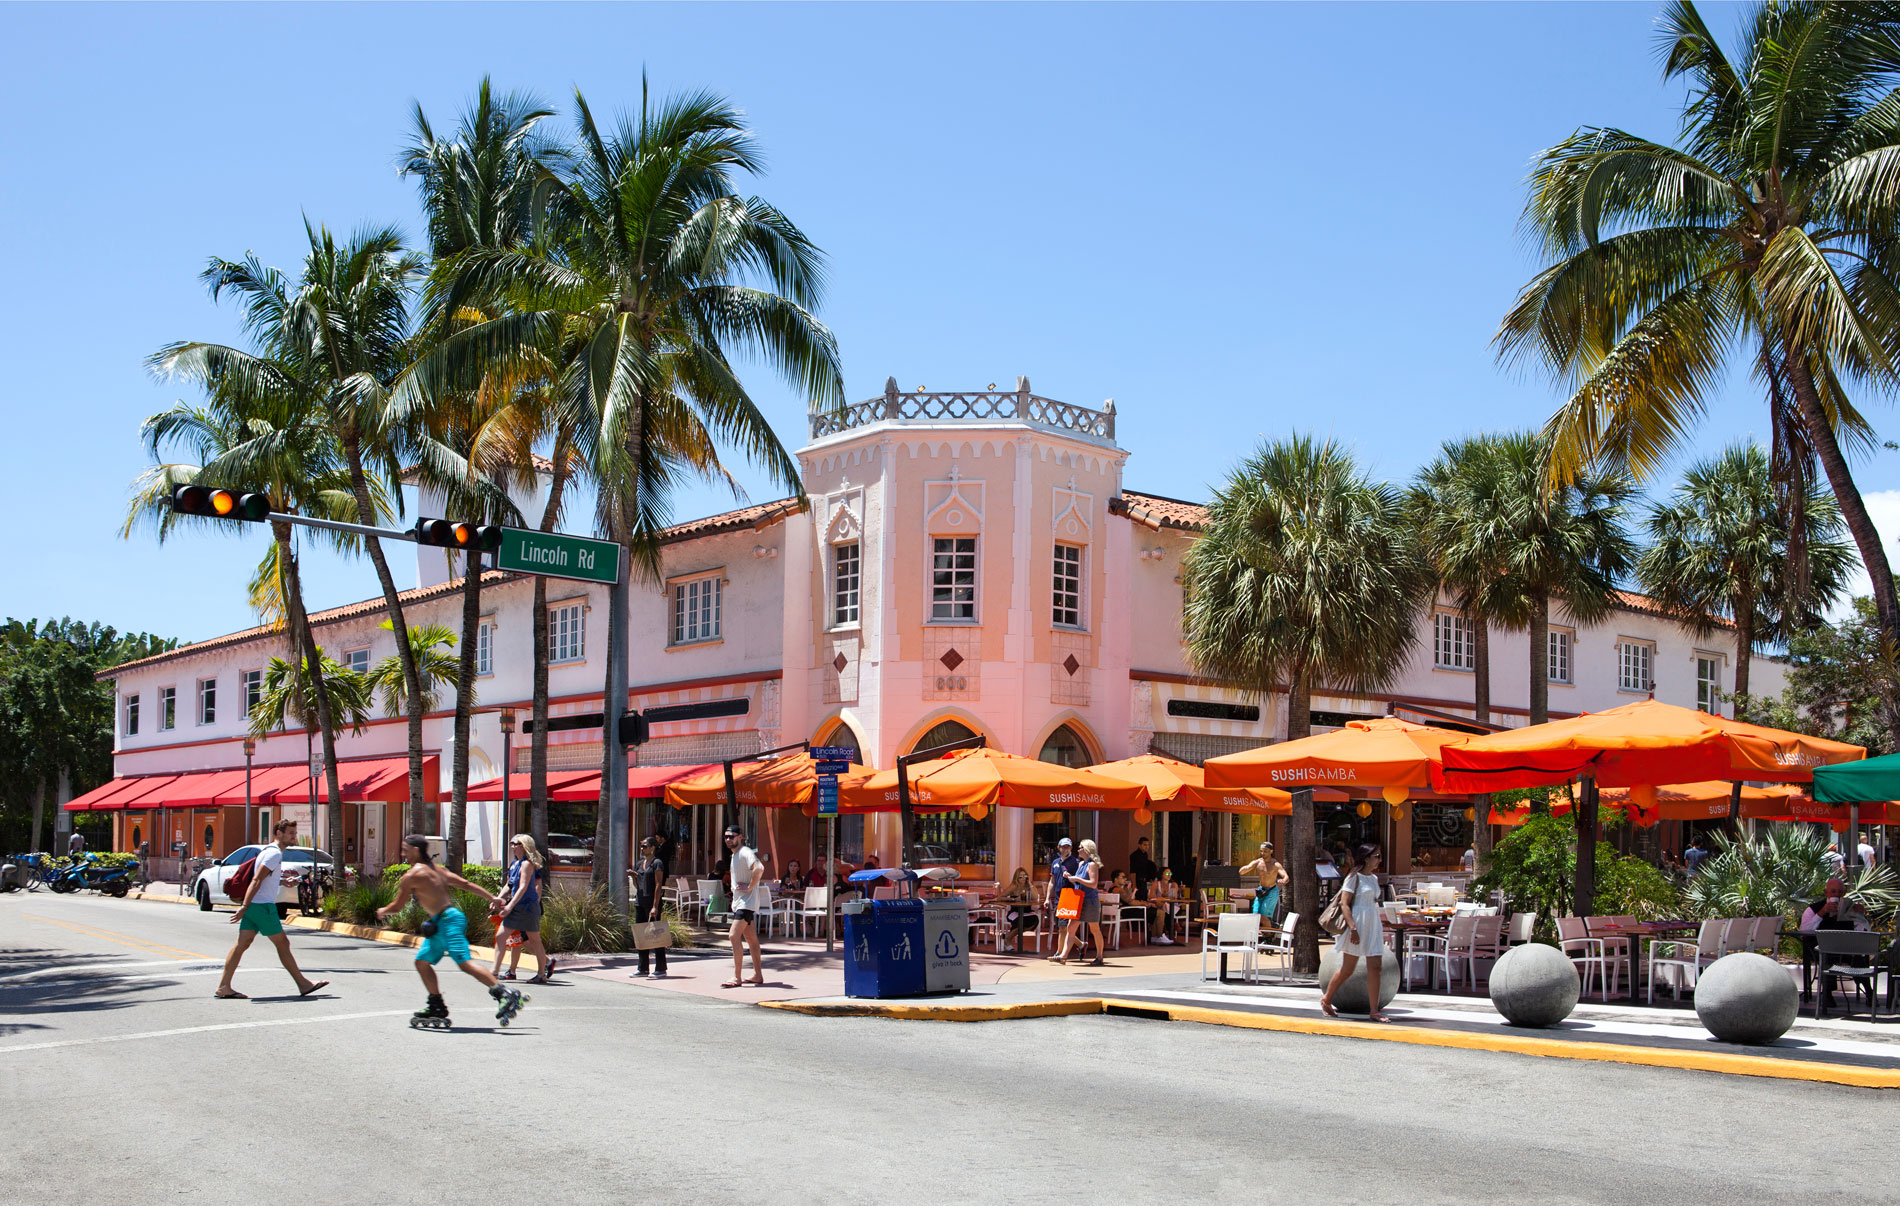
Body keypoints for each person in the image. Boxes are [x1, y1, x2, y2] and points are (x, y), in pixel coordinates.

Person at [379, 835, 523, 1028]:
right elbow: (466, 885)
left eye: (405, 849)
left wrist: (382, 911)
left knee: (464, 963)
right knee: (422, 962)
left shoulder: (411, 876)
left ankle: (503, 992)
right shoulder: (438, 870)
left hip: (448, 921)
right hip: (441, 921)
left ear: (416, 850)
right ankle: (436, 1004)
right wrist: (493, 898)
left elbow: (397, 906)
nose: (402, 853)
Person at [213, 817, 329, 1001]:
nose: (294, 837)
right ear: (279, 833)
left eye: (294, 833)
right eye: (290, 833)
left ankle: (223, 986)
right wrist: (243, 906)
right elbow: (256, 879)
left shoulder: (269, 852)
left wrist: (282, 881)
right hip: (262, 906)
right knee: (283, 943)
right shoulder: (274, 853)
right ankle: (303, 984)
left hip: (255, 906)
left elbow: (265, 878)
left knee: (241, 945)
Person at [1320, 843, 1390, 1023]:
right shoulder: (1353, 877)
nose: (1379, 860)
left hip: (1372, 923)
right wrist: (1352, 928)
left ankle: (1374, 1011)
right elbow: (1344, 903)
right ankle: (1327, 999)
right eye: (1377, 856)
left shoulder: (1373, 878)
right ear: (1366, 858)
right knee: (1347, 969)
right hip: (1357, 923)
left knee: (1376, 967)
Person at [491, 835, 553, 985]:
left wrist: (509, 906)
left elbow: (523, 887)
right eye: (511, 843)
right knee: (500, 937)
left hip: (527, 907)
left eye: (516, 844)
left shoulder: (527, 864)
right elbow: (509, 885)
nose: (512, 846)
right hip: (516, 907)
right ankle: (494, 972)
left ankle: (541, 974)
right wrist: (498, 899)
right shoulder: (515, 864)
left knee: (534, 940)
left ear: (524, 846)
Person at [722, 826, 769, 989]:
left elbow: (760, 868)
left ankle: (737, 977)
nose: (728, 839)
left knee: (733, 936)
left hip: (746, 904)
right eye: (726, 836)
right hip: (740, 903)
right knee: (751, 939)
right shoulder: (735, 855)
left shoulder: (745, 852)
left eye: (732, 836)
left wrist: (750, 886)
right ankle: (757, 975)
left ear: (740, 837)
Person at [1053, 839, 1107, 966]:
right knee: (1070, 927)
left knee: (1094, 929)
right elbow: (1079, 882)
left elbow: (1093, 884)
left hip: (1089, 900)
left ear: (1087, 850)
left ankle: (1099, 956)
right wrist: (1070, 877)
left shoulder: (1092, 865)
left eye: (1081, 847)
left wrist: (1076, 878)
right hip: (1079, 899)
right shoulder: (1081, 864)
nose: (1078, 850)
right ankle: (1063, 956)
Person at [633, 835, 669, 979]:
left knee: (656, 935)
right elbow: (637, 885)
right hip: (640, 901)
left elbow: (658, 884)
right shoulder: (639, 863)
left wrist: (655, 906)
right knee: (641, 934)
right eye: (641, 846)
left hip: (652, 902)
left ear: (652, 848)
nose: (642, 849)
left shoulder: (657, 863)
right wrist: (633, 877)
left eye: (645, 846)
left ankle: (660, 968)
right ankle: (642, 968)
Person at [1237, 841, 1288, 924]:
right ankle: (1258, 935)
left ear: (1271, 851)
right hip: (1261, 890)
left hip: (1271, 891)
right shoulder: (1258, 862)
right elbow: (1246, 868)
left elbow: (1286, 877)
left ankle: (1269, 936)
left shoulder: (1275, 864)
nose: (1262, 853)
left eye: (1265, 851)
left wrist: (1283, 880)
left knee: (1263, 917)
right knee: (1255, 915)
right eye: (1261, 851)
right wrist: (1243, 870)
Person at [1045, 837, 1079, 956]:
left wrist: (1070, 877)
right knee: (1062, 926)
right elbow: (1052, 881)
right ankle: (1080, 945)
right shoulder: (1055, 862)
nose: (1065, 849)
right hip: (1059, 897)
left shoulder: (1075, 862)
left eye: (1068, 847)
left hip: (1070, 895)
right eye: (1063, 847)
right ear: (1058, 847)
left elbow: (1079, 881)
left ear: (1071, 848)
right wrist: (1047, 898)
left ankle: (1059, 953)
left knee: (1063, 927)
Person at [997, 867, 1037, 953]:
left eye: (1025, 876)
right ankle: (1008, 941)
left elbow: (1036, 898)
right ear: (1016, 878)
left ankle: (1008, 937)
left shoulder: (1029, 886)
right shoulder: (1014, 886)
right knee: (1020, 922)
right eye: (1020, 876)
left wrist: (1030, 883)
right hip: (1014, 911)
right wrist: (1013, 899)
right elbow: (1000, 897)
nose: (1023, 878)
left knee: (1034, 920)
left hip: (1027, 911)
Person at [1150, 867, 1181, 944]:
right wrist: (1162, 900)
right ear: (1161, 874)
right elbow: (1151, 897)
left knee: (1165, 906)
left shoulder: (1173, 884)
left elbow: (1173, 897)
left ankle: (1165, 931)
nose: (1169, 875)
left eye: (1170, 873)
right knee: (1162, 906)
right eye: (1167, 873)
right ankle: (1172, 926)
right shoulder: (1156, 884)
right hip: (1158, 905)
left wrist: (1162, 899)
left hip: (1171, 906)